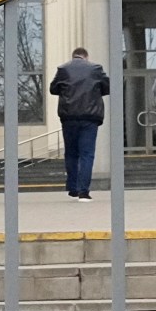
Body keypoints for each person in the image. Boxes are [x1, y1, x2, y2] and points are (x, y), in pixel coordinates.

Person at [47, 47, 108, 200]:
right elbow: (106, 87)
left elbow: (53, 89)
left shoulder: (63, 69)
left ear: (73, 56)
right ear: (86, 57)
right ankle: (83, 192)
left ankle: (73, 188)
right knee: (87, 154)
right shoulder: (95, 69)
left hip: (69, 117)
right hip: (90, 117)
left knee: (71, 153)